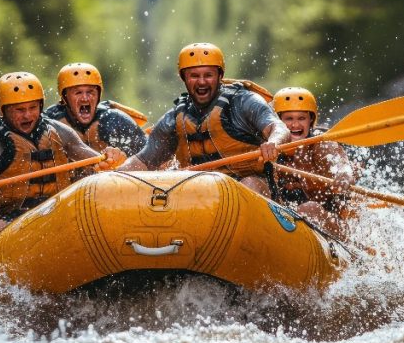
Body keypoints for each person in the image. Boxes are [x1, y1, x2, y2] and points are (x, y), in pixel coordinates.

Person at [0, 71, 126, 252]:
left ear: (41, 105)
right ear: (3, 110)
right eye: (20, 110)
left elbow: (93, 158)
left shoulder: (60, 132)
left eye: (33, 107)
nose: (28, 115)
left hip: (57, 215)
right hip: (8, 223)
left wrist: (109, 158)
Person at [116, 42, 290, 196]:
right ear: (184, 78)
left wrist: (274, 141)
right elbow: (143, 161)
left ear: (220, 76)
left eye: (208, 75)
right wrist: (114, 176)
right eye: (194, 76)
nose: (201, 82)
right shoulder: (174, 119)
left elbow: (278, 127)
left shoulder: (243, 102)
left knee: (249, 184)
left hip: (253, 186)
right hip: (201, 197)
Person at [270, 87, 357, 237]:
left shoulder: (322, 144)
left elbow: (340, 164)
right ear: (277, 123)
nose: (295, 125)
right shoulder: (270, 148)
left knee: (308, 209)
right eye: (289, 119)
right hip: (286, 221)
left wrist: (344, 174)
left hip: (331, 220)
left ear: (311, 120)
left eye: (301, 118)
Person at [43, 62, 147, 157]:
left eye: (90, 92)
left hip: (109, 175)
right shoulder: (51, 121)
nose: (85, 98)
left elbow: (148, 153)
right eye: (78, 93)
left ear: (98, 95)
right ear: (65, 97)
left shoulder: (113, 119)